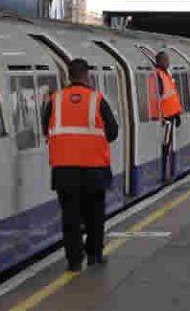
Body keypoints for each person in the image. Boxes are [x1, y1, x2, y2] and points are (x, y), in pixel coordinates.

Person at [41, 58, 119, 272]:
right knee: (95, 215)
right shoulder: (97, 100)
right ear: (87, 75)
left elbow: (45, 129)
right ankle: (94, 255)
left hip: (64, 171)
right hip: (94, 169)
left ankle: (74, 261)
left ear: (68, 75)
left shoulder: (55, 100)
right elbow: (112, 132)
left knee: (70, 217)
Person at [155, 52, 183, 176]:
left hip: (170, 116)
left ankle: (165, 172)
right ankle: (163, 173)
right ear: (159, 61)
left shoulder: (166, 75)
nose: (168, 62)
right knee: (165, 146)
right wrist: (161, 117)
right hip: (165, 119)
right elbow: (157, 98)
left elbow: (171, 96)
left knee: (167, 145)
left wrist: (176, 114)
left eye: (167, 60)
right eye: (165, 60)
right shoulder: (158, 76)